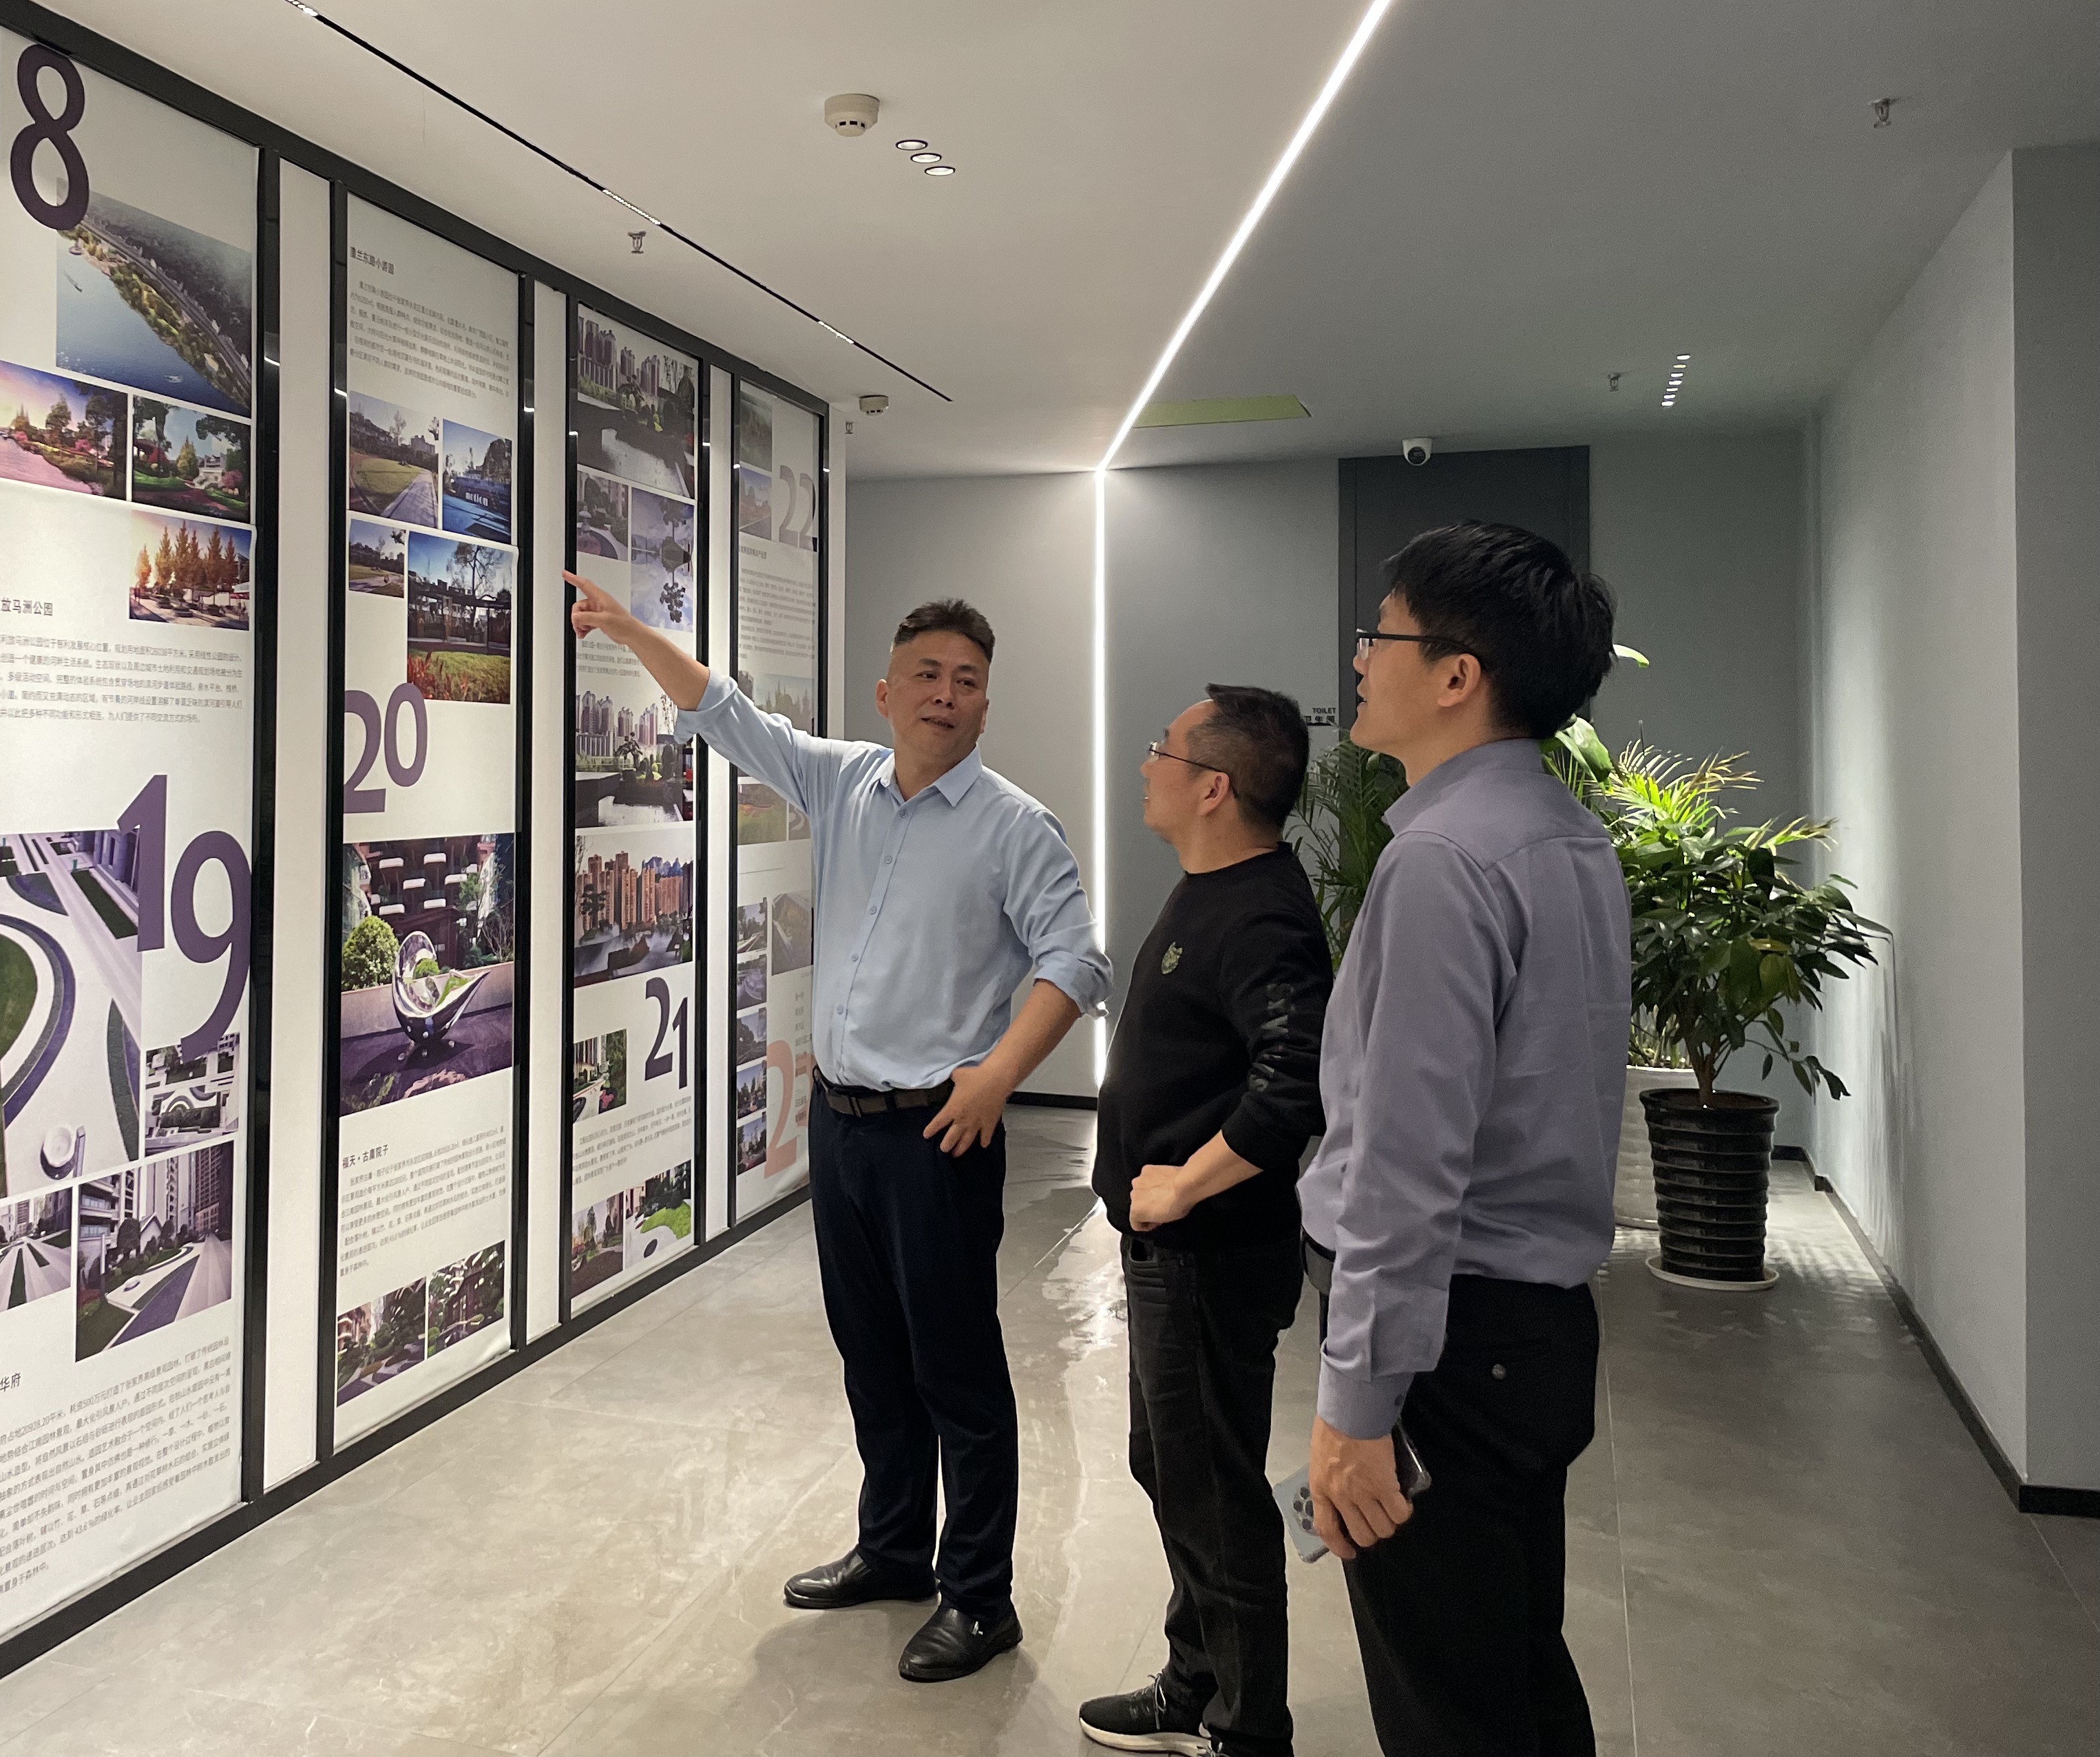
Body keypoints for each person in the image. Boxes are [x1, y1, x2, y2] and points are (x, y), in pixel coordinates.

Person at [563, 578, 1109, 1683]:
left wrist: (1000, 1077)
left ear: (986, 704)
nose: (946, 695)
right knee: (873, 1355)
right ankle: (895, 1550)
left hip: (939, 1136)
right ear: (886, 692)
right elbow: (725, 713)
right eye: (927, 675)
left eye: (968, 681)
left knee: (957, 1372)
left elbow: (1077, 962)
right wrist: (626, 629)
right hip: (845, 1126)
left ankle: (980, 1598)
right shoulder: (844, 779)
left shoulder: (1015, 827)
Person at [1301, 521, 1629, 1757]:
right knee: (1512, 1674)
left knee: (1450, 1704)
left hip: (1446, 1344)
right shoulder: (1561, 833)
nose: (1360, 659)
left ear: (1456, 675)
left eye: (1379, 633)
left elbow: (1407, 1163)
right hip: (1525, 1335)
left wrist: (1358, 1406)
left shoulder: (1442, 860)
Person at [1080, 685, 1330, 1757]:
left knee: (1214, 1492)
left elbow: (1295, 1082)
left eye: (1164, 749)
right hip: (1172, 1255)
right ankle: (1195, 1680)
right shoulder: (1214, 889)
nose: (1147, 765)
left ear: (1214, 786)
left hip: (1209, 1256)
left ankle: (1247, 1727)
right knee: (1175, 1470)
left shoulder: (1261, 914)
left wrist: (1185, 1184)